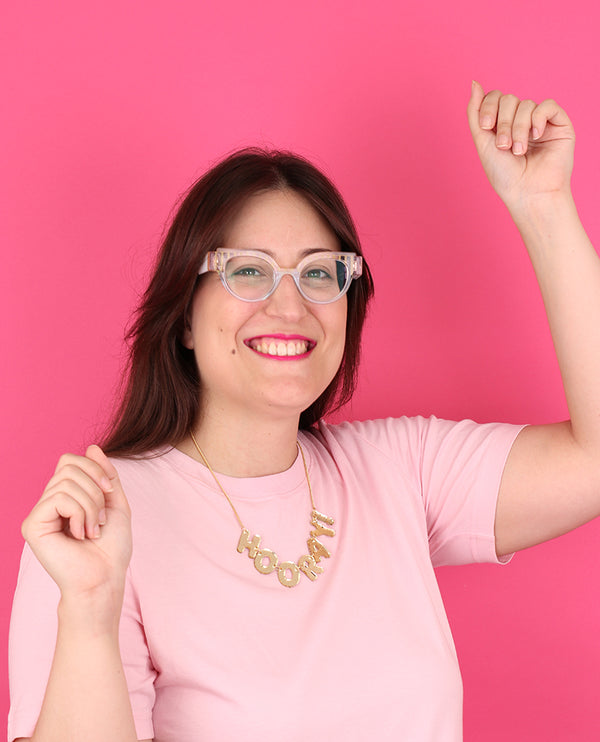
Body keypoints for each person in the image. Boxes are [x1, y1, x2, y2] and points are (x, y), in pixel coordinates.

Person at [8, 81, 600, 742]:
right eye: (249, 271)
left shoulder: (397, 470)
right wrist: (90, 609)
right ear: (184, 320)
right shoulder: (97, 524)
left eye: (320, 273)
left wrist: (544, 206)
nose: (290, 307)